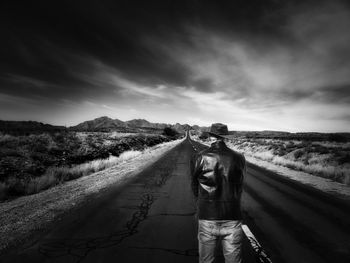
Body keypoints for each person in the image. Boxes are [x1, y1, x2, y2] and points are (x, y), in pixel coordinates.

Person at [191, 132, 246, 263]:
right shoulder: (239, 157)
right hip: (232, 215)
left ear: (211, 137)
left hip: (207, 216)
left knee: (206, 261)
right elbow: (239, 186)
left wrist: (200, 206)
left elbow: (194, 186)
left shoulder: (199, 157)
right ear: (224, 137)